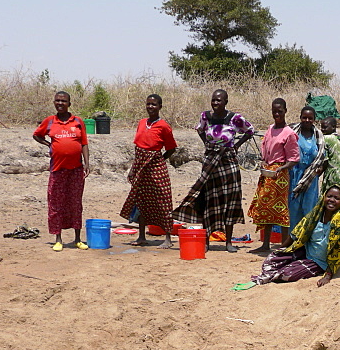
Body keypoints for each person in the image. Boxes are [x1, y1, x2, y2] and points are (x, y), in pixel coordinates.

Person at [172, 89, 254, 252]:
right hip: (210, 162)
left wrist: (236, 146)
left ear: (226, 102)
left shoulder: (234, 118)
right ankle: (207, 241)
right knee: (208, 201)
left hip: (228, 162)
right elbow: (200, 130)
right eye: (213, 100)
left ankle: (228, 242)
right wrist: (207, 145)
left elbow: (250, 131)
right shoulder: (206, 117)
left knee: (230, 201)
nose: (215, 103)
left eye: (219, 100)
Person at [247, 185, 340, 288]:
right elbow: (296, 234)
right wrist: (280, 251)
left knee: (287, 274)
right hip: (306, 253)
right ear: (324, 197)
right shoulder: (315, 215)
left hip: (321, 262)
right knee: (271, 260)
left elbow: (339, 251)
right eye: (329, 196)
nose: (332, 200)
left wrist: (328, 276)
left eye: (336, 198)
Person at [33, 91, 90, 251]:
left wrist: (87, 163)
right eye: (57, 100)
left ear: (69, 103)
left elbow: (84, 143)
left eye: (63, 101)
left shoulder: (78, 122)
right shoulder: (50, 122)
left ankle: (78, 239)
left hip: (76, 170)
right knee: (56, 204)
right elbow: (37, 135)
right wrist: (48, 144)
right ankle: (58, 239)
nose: (60, 103)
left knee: (75, 203)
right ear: (54, 103)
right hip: (57, 170)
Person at [120, 94, 177, 248]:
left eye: (154, 104)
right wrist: (134, 169)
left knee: (163, 199)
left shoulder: (164, 126)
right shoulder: (141, 123)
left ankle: (168, 239)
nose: (150, 107)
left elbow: (171, 148)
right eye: (148, 104)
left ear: (160, 107)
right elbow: (138, 147)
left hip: (156, 166)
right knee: (141, 200)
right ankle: (141, 236)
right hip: (140, 166)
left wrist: (158, 160)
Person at [247, 98, 299, 252]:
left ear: (285, 111)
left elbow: (294, 159)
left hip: (280, 176)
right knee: (265, 207)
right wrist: (263, 162)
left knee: (280, 209)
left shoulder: (289, 133)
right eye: (274, 111)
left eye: (280, 111)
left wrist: (281, 168)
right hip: (268, 172)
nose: (277, 114)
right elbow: (265, 150)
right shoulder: (270, 129)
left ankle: (283, 244)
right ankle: (265, 244)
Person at [289, 106, 326, 230]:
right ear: (300, 118)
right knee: (293, 208)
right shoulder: (293, 133)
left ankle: (307, 240)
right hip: (293, 175)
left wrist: (318, 170)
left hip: (310, 178)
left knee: (309, 209)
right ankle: (292, 240)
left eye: (310, 118)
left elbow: (322, 157)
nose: (307, 120)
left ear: (314, 120)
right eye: (304, 117)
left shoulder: (318, 136)